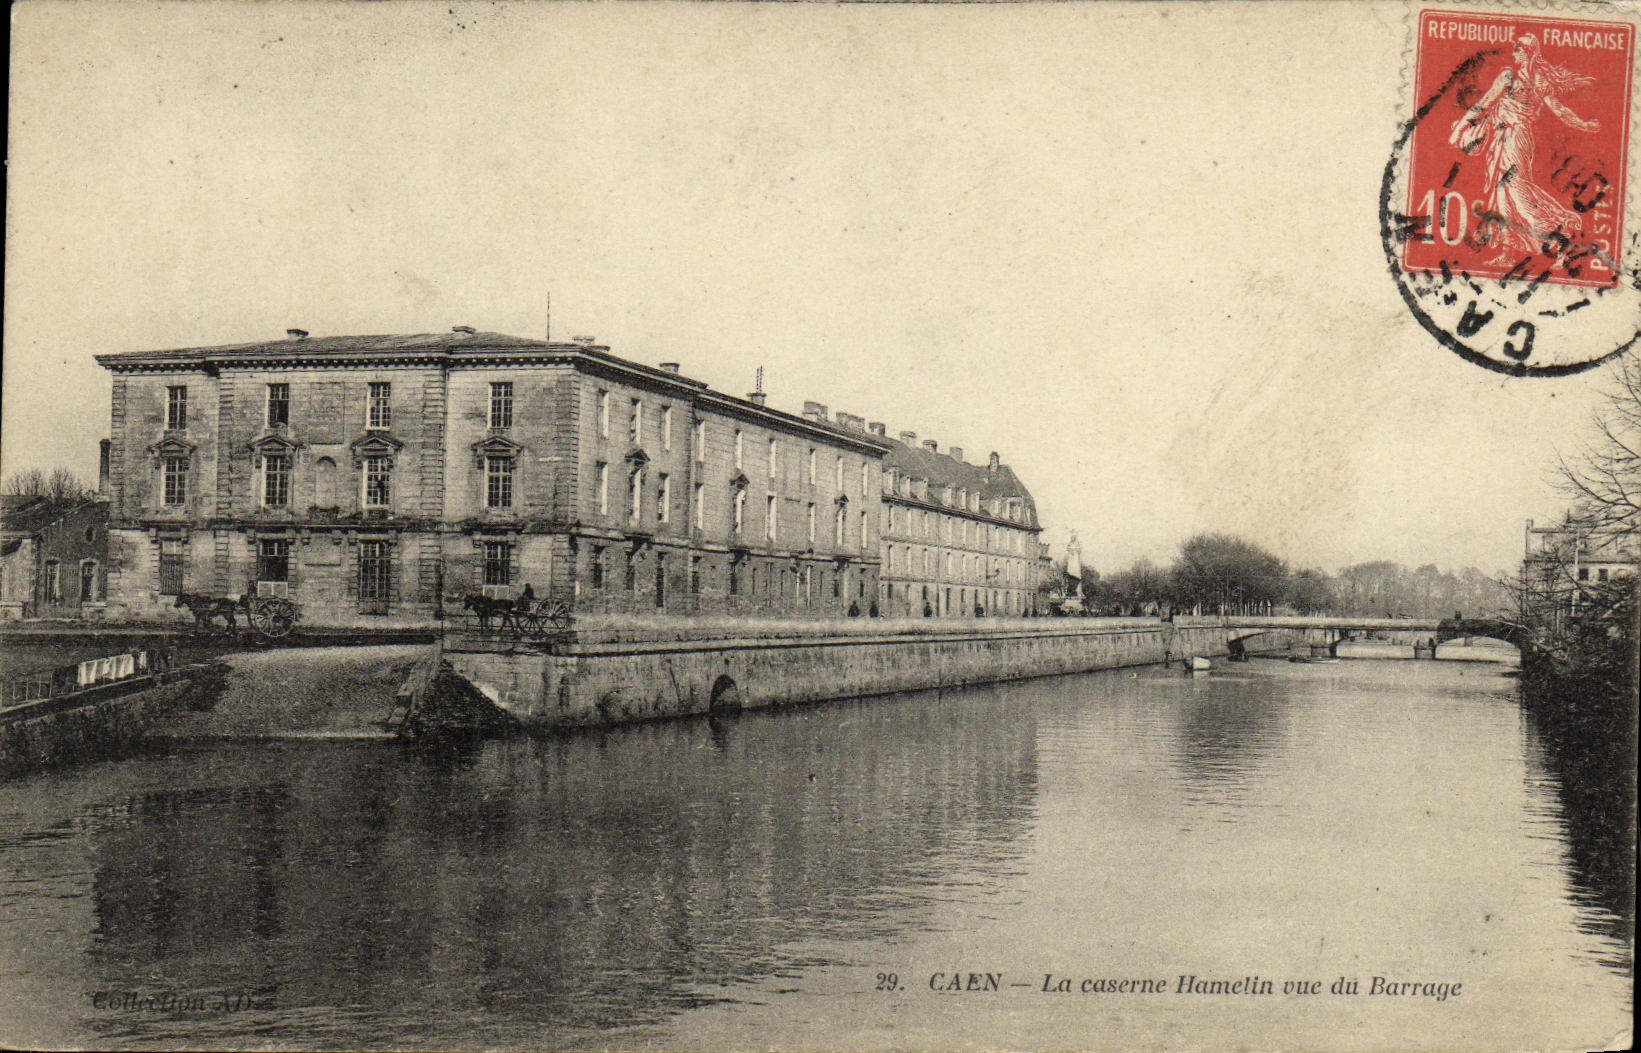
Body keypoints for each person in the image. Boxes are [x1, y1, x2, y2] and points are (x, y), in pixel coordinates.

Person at [1449, 34, 1600, 266]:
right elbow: (1485, 102)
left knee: (1518, 195)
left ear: (1529, 52)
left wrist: (1583, 125)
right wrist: (1460, 128)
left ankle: (1563, 240)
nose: (1514, 54)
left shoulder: (1539, 81)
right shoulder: (1507, 77)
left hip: (1517, 138)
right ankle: (1508, 254)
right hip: (1501, 139)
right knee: (1502, 197)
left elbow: (1559, 110)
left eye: (1518, 50)